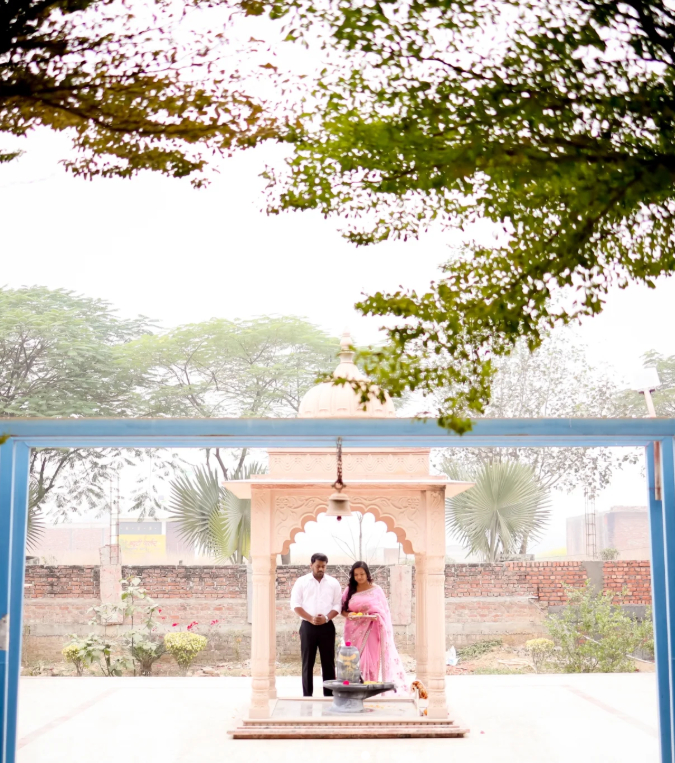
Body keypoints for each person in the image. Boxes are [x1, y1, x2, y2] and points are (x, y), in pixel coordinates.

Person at [341, 561, 407, 693]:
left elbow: (384, 612)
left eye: (362, 574)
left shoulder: (376, 590)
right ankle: (354, 690)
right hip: (352, 631)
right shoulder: (349, 590)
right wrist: (349, 615)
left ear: (367, 574)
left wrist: (374, 616)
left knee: (369, 660)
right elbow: (342, 610)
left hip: (372, 629)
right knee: (353, 660)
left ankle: (369, 689)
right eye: (356, 575)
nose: (359, 577)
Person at [290, 552, 342, 697]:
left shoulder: (333, 583)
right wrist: (310, 618)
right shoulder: (301, 582)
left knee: (329, 663)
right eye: (318, 566)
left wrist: (326, 618)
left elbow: (338, 605)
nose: (320, 569)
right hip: (308, 627)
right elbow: (295, 604)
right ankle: (307, 696)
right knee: (307, 663)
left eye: (323, 566)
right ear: (311, 565)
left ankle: (329, 696)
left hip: (327, 627)